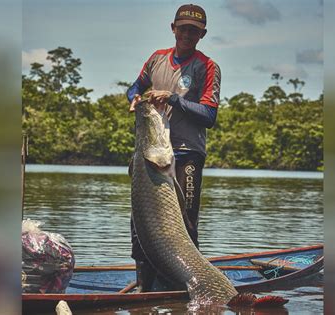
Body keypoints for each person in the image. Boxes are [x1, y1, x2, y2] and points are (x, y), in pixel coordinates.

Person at [127, 3, 221, 292]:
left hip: (186, 152)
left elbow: (209, 116)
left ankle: (188, 286)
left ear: (202, 34)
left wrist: (173, 98)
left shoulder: (207, 66)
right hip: (149, 153)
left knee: (185, 224)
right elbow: (135, 86)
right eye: (183, 29)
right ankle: (146, 286)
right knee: (141, 226)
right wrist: (133, 97)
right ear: (173, 29)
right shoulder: (157, 59)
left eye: (194, 31)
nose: (187, 35)